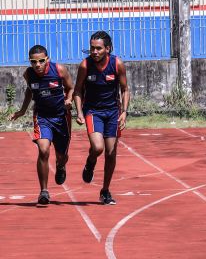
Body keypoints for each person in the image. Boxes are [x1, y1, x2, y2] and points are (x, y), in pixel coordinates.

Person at [11, 45, 75, 205]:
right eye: (33, 62)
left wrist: (69, 99)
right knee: (43, 150)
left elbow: (71, 88)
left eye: (41, 61)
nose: (37, 65)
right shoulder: (29, 74)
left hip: (61, 118)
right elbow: (29, 91)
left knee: (62, 156)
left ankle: (61, 167)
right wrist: (22, 110)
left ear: (47, 59)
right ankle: (44, 191)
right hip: (42, 117)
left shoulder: (59, 70)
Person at [73, 31, 130, 205]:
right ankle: (90, 163)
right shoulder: (85, 65)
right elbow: (77, 90)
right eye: (92, 48)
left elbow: (125, 90)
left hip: (112, 112)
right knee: (98, 148)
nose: (94, 52)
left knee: (111, 153)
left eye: (98, 48)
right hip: (93, 112)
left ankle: (105, 191)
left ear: (108, 48)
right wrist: (80, 113)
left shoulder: (117, 64)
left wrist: (124, 111)